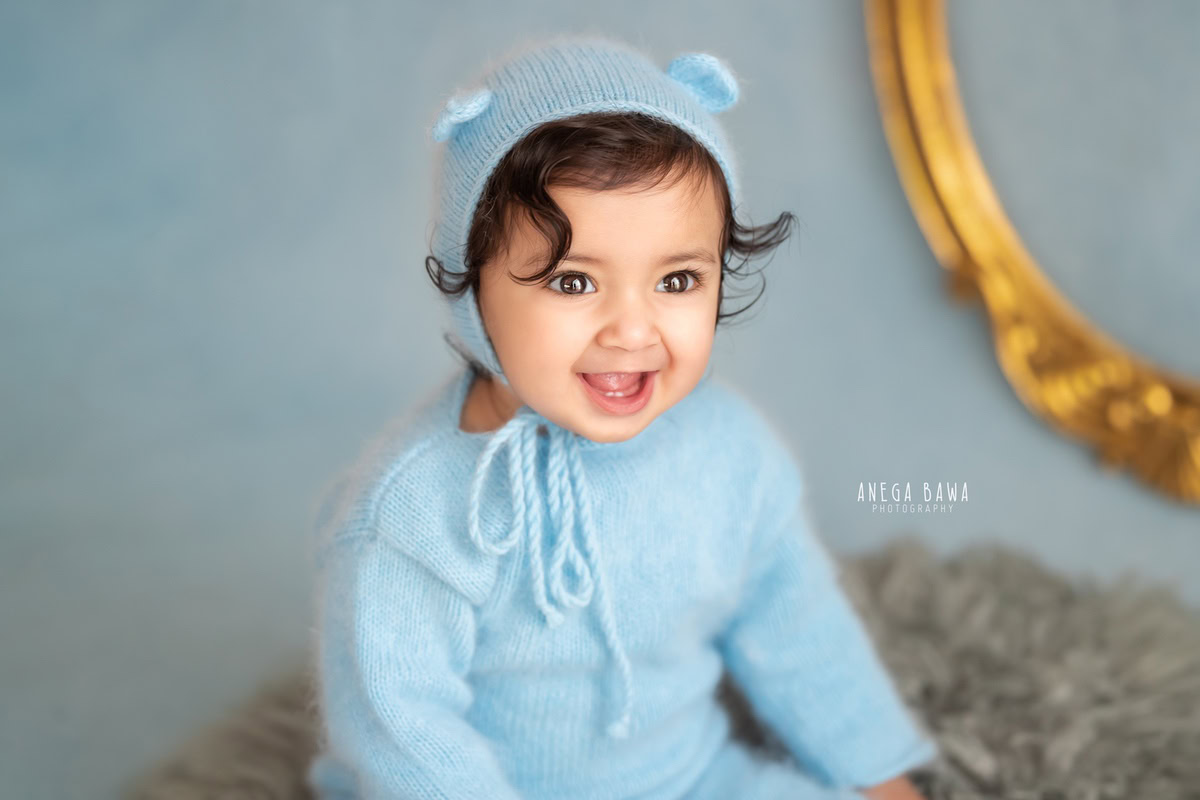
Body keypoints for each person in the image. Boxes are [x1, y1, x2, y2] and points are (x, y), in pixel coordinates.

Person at [306, 35, 938, 800]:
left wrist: (880, 776)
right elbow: (403, 731)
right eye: (574, 284)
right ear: (473, 286)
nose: (632, 331)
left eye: (676, 279)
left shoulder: (730, 452)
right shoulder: (416, 514)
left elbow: (798, 626)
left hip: (694, 779)